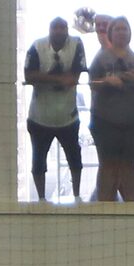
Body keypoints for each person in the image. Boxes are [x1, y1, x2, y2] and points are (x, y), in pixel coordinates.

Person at [88, 16, 134, 203]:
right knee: (108, 165)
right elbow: (92, 82)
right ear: (111, 33)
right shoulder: (101, 58)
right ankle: (104, 206)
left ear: (130, 33)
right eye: (117, 29)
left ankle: (132, 207)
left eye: (125, 29)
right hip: (105, 122)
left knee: (128, 166)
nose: (121, 32)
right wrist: (107, 81)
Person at [23, 16, 87, 203]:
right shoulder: (37, 46)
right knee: (38, 161)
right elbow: (29, 75)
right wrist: (58, 79)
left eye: (62, 28)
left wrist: (45, 77)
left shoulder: (76, 44)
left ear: (67, 30)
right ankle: (41, 199)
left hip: (68, 116)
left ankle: (76, 195)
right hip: (39, 117)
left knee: (75, 159)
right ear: (49, 30)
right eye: (55, 28)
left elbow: (74, 77)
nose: (59, 31)